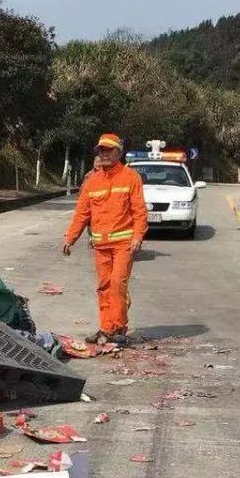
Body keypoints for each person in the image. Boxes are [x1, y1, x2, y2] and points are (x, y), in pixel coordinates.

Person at [62, 132, 148, 346]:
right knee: (103, 287)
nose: (105, 154)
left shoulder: (130, 177)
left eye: (110, 150)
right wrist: (70, 238)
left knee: (117, 284)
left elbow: (139, 211)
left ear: (119, 152)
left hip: (124, 244)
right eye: (102, 150)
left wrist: (138, 236)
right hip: (101, 245)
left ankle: (117, 328)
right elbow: (82, 213)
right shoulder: (93, 181)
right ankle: (107, 328)